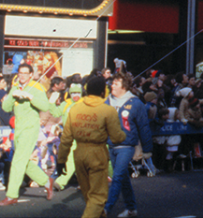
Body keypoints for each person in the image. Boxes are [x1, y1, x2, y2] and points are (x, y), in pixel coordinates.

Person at [57, 76, 126, 218]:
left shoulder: (75, 109)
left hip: (79, 154)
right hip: (97, 153)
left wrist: (61, 159)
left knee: (89, 194)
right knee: (98, 196)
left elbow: (66, 138)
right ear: (103, 92)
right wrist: (125, 133)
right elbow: (117, 137)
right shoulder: (108, 110)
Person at [0, 62, 58, 206]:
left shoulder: (37, 88)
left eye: (25, 73)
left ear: (31, 75)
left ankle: (11, 196)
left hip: (30, 129)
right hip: (17, 129)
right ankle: (46, 181)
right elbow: (6, 107)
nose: (22, 75)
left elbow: (44, 106)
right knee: (22, 162)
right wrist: (13, 95)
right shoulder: (15, 86)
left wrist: (29, 96)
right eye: (20, 72)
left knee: (18, 161)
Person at [106, 74, 153, 217]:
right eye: (112, 83)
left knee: (118, 176)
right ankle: (131, 208)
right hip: (111, 145)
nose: (112, 86)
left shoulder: (135, 103)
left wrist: (147, 149)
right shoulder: (106, 102)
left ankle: (106, 209)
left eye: (115, 83)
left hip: (126, 146)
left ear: (124, 86)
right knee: (123, 177)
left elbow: (143, 127)